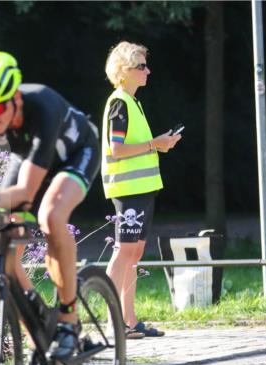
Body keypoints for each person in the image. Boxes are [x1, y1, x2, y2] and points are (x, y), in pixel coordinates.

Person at [0, 51, 100, 365]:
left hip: (74, 155)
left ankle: (69, 320)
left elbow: (27, 192)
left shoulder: (43, 106)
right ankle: (36, 334)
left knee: (51, 216)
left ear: (15, 97)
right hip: (28, 160)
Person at [101, 41, 180, 338]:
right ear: (124, 71)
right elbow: (116, 149)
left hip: (141, 188)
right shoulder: (119, 102)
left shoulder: (133, 102)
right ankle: (113, 322)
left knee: (133, 254)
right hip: (128, 189)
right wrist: (153, 144)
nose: (148, 70)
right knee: (124, 252)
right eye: (141, 66)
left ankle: (130, 322)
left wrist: (160, 144)